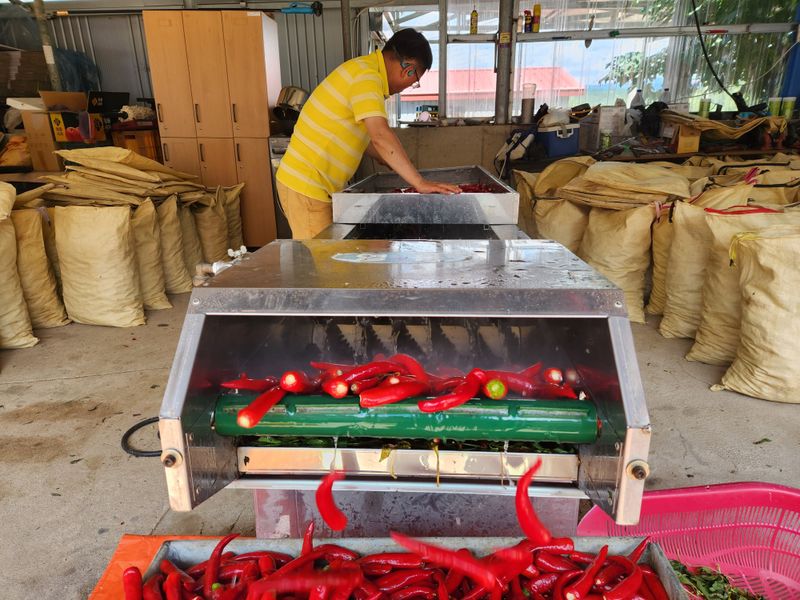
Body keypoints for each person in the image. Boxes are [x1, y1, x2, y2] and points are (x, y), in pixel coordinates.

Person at [275, 28, 461, 239]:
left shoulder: (365, 71)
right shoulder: (367, 77)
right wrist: (419, 183)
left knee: (328, 259)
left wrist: (393, 162)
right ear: (407, 69)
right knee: (323, 264)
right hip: (307, 185)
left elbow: (365, 139)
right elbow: (380, 135)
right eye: (414, 81)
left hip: (312, 185)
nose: (408, 87)